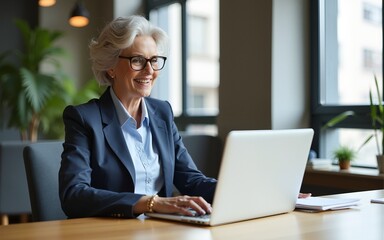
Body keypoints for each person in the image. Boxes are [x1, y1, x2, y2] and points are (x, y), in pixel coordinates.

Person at [59, 15, 216, 219]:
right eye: (138, 60)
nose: (149, 70)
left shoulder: (163, 113)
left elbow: (191, 180)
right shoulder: (83, 119)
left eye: (154, 60)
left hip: (162, 231)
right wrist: (151, 203)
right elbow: (74, 195)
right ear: (111, 66)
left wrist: (237, 190)